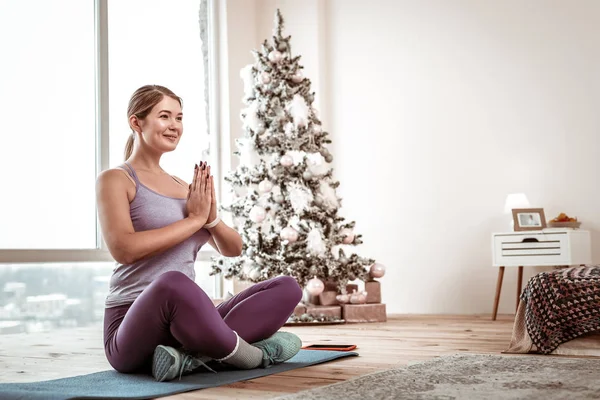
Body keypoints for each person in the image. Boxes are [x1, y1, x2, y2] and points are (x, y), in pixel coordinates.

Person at [96, 85, 303, 382]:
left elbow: (233, 248)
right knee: (172, 283)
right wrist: (194, 220)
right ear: (136, 122)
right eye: (164, 116)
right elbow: (123, 249)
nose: (174, 126)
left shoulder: (185, 186)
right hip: (129, 327)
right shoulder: (116, 179)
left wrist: (211, 217)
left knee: (287, 287)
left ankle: (189, 358)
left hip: (188, 324)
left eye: (179, 118)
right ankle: (252, 357)